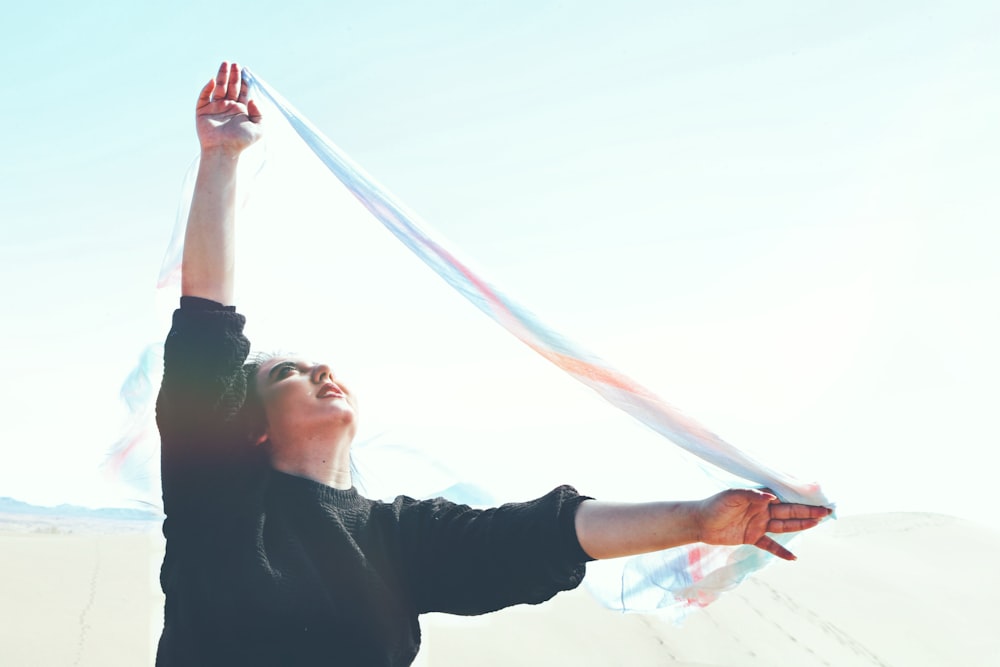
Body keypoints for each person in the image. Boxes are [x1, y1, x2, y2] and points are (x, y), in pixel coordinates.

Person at [154, 61, 832, 667]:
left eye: (316, 362)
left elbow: (540, 535)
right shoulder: (219, 508)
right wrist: (221, 158)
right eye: (288, 372)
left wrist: (698, 517)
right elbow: (207, 335)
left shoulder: (399, 538)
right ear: (252, 428)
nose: (322, 369)